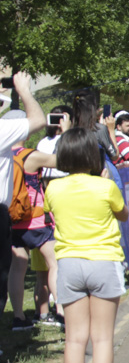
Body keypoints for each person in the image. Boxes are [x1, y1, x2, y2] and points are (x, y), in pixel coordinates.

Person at [46, 126, 129, 363]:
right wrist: (105, 184)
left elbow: (51, 210)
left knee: (74, 339)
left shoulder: (53, 188)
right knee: (102, 338)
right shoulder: (105, 187)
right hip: (103, 262)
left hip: (69, 263)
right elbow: (123, 214)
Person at [1, 72, 46, 323]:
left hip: (8, 215)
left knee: (14, 267)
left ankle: (15, 320)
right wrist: (23, 90)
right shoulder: (5, 133)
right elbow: (38, 119)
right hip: (14, 215)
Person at [8, 131, 59, 331]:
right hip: (35, 220)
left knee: (17, 269)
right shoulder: (31, 155)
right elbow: (64, 160)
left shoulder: (3, 155)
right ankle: (62, 311)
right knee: (54, 265)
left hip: (12, 219)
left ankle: (19, 317)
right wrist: (63, 134)